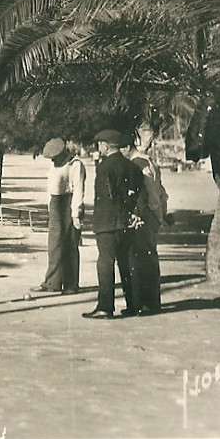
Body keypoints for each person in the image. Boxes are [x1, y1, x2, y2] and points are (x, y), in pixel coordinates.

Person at [82, 129, 145, 320]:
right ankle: (134, 305)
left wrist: (118, 214)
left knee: (105, 263)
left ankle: (105, 307)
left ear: (105, 145)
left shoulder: (104, 167)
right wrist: (128, 213)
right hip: (126, 222)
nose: (98, 147)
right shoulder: (132, 166)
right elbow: (137, 189)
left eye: (99, 144)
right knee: (127, 264)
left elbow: (108, 196)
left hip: (107, 222)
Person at [121, 133, 168, 315]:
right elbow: (162, 191)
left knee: (142, 260)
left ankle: (147, 303)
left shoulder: (139, 164)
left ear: (127, 148)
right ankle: (149, 302)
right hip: (152, 214)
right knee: (147, 258)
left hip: (146, 214)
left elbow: (153, 194)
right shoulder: (149, 161)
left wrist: (155, 216)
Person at [32, 138, 86, 295]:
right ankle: (52, 282)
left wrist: (76, 214)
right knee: (54, 246)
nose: (53, 160)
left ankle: (71, 285)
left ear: (64, 153)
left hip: (69, 204)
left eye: (56, 157)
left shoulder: (75, 165)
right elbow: (51, 188)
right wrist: (50, 208)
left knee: (70, 245)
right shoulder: (54, 165)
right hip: (56, 205)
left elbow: (79, 190)